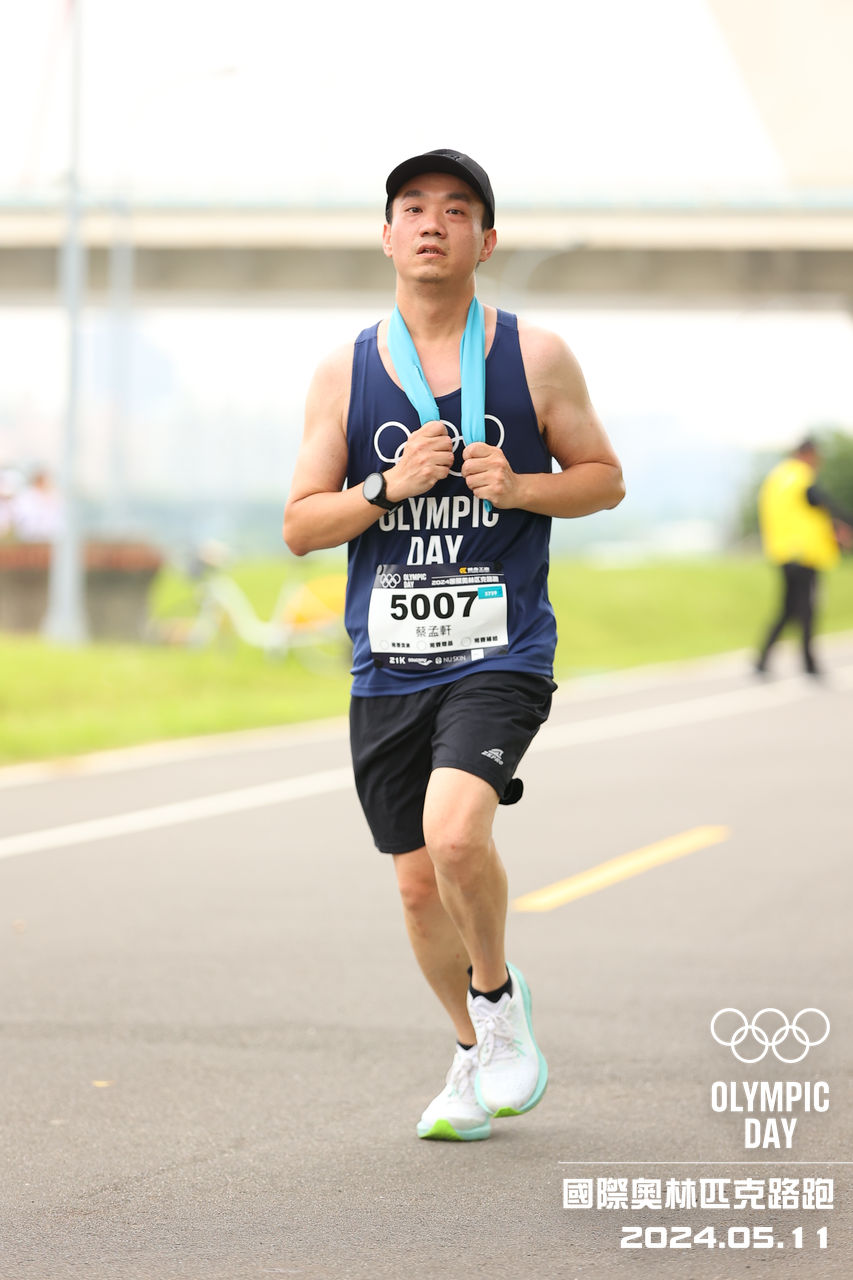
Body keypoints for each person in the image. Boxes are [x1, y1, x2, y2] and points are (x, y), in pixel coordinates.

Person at [283, 149, 624, 1141]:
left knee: (457, 835)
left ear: (486, 239)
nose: (432, 223)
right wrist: (385, 486)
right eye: (413, 208)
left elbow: (603, 479)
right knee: (413, 883)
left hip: (498, 651)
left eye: (457, 209)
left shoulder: (534, 356)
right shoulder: (346, 371)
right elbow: (301, 525)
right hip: (387, 664)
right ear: (387, 235)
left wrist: (519, 487)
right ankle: (475, 1052)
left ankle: (497, 1000)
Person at [756, 437, 853, 677]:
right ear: (808, 454)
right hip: (805, 554)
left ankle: (763, 659)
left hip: (783, 552)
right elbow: (821, 502)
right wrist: (846, 524)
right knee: (808, 608)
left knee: (789, 608)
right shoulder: (801, 477)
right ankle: (809, 663)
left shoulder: (777, 478)